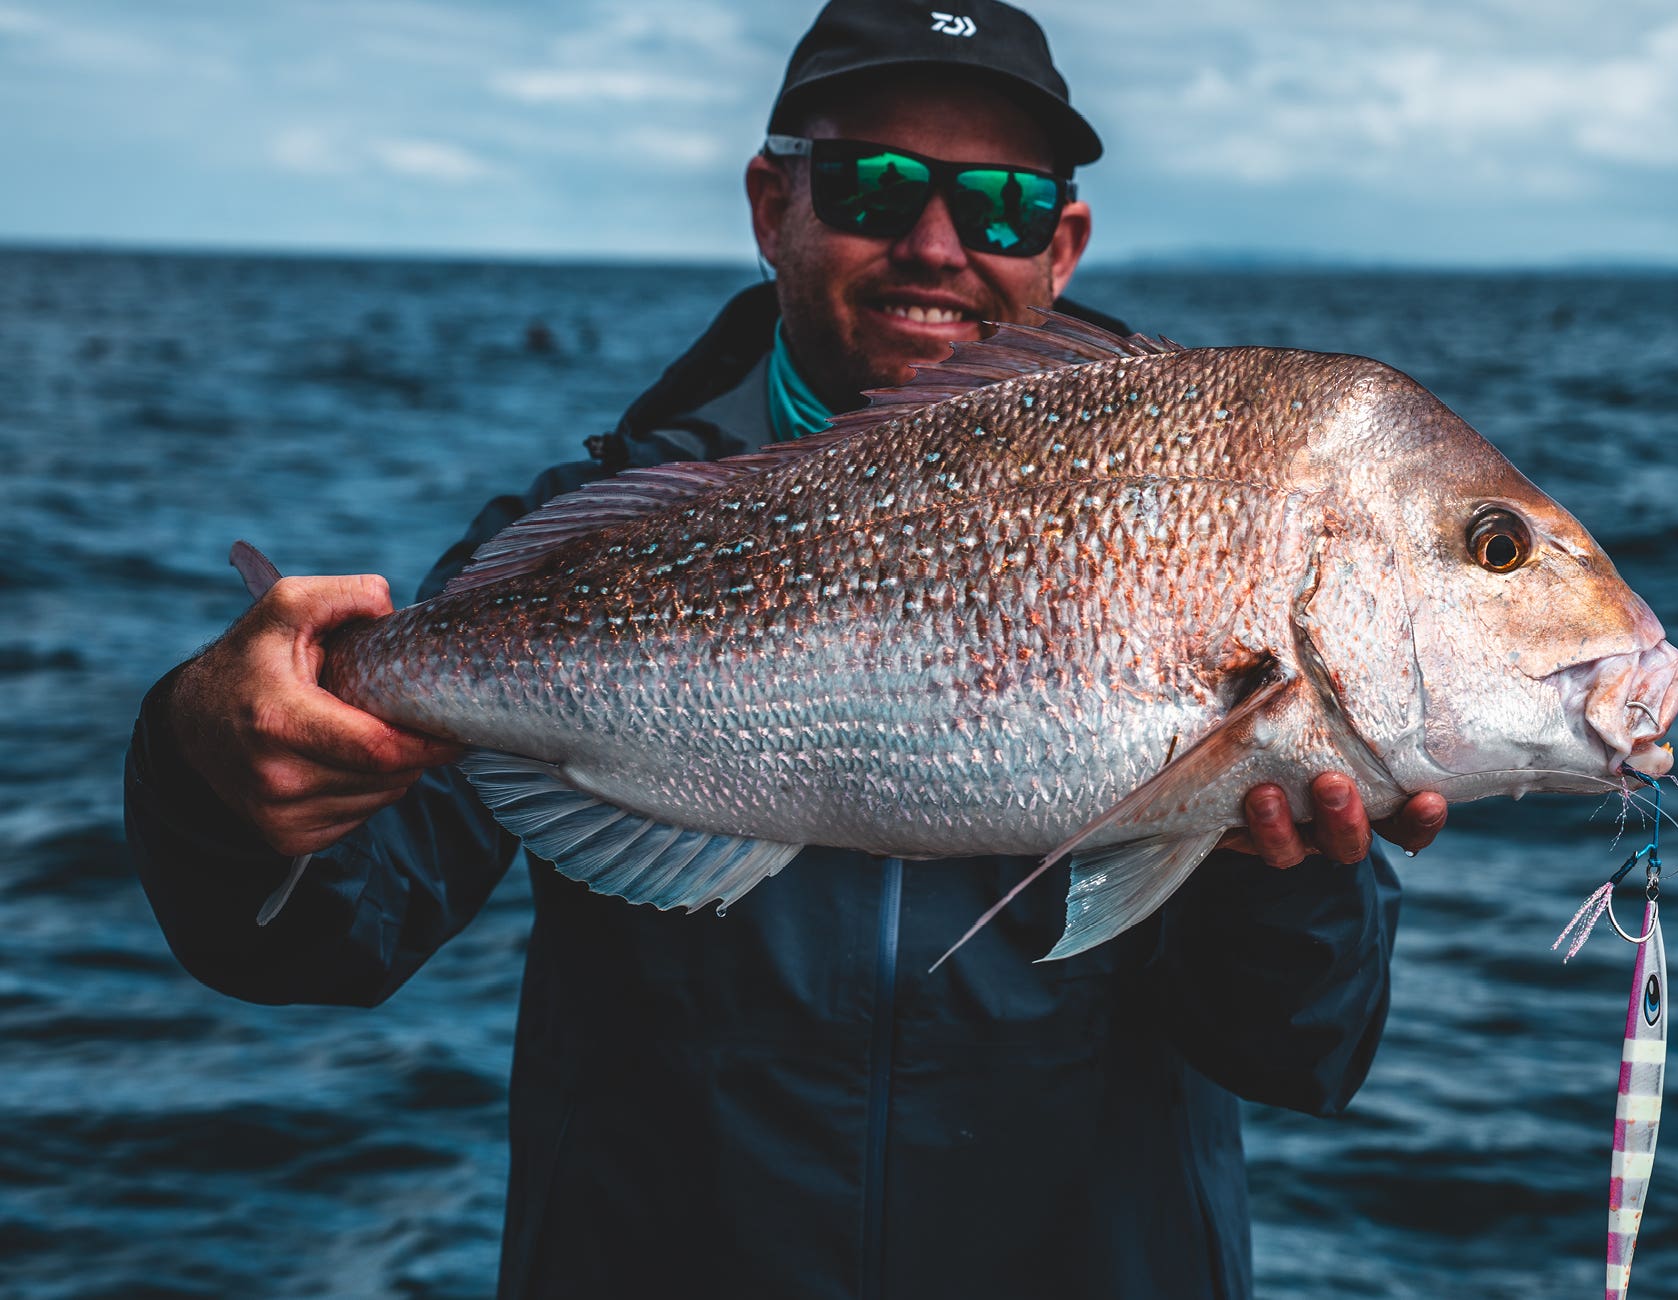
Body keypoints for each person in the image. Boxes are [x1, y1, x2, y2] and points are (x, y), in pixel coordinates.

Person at [120, 3, 1446, 1297]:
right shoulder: (574, 539)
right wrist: (209, 763)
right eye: (875, 185)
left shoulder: (1217, 541)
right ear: (774, 206)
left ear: (1065, 243)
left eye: (1003, 207)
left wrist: (1289, 877)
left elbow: (1303, 1057)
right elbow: (320, 944)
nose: (937, 244)